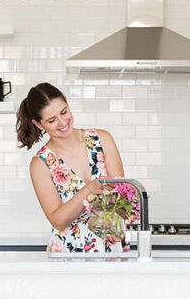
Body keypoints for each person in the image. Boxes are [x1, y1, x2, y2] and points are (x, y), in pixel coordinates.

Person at [17, 83, 126, 254]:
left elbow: (122, 194)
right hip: (68, 252)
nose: (62, 123)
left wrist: (114, 222)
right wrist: (88, 190)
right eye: (52, 120)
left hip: (110, 243)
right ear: (39, 125)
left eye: (64, 112)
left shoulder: (102, 139)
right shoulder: (41, 164)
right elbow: (58, 221)